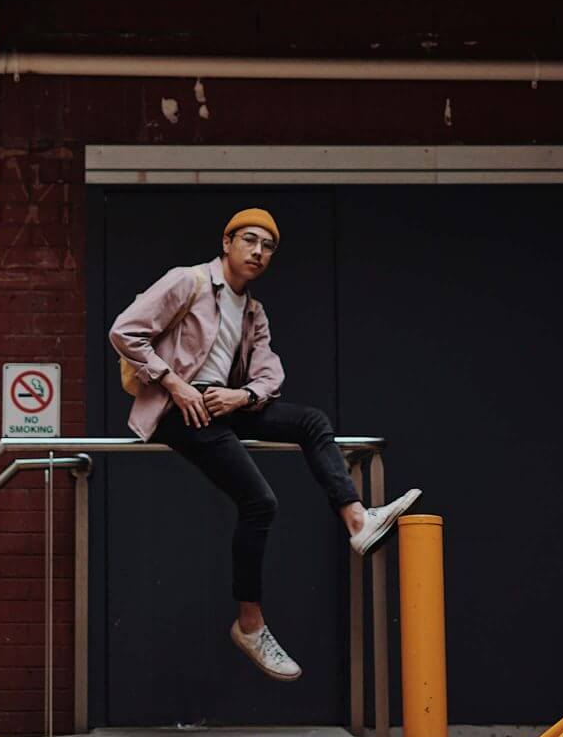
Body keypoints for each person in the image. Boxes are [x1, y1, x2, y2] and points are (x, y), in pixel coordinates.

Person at [109, 208, 421, 683]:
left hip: (223, 403)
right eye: (249, 240)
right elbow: (124, 330)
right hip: (178, 408)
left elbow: (269, 372)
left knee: (311, 421)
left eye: (268, 246)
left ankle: (357, 520)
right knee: (260, 502)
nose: (258, 251)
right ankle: (250, 625)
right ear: (227, 242)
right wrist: (174, 383)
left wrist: (245, 396)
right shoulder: (187, 281)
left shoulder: (253, 312)